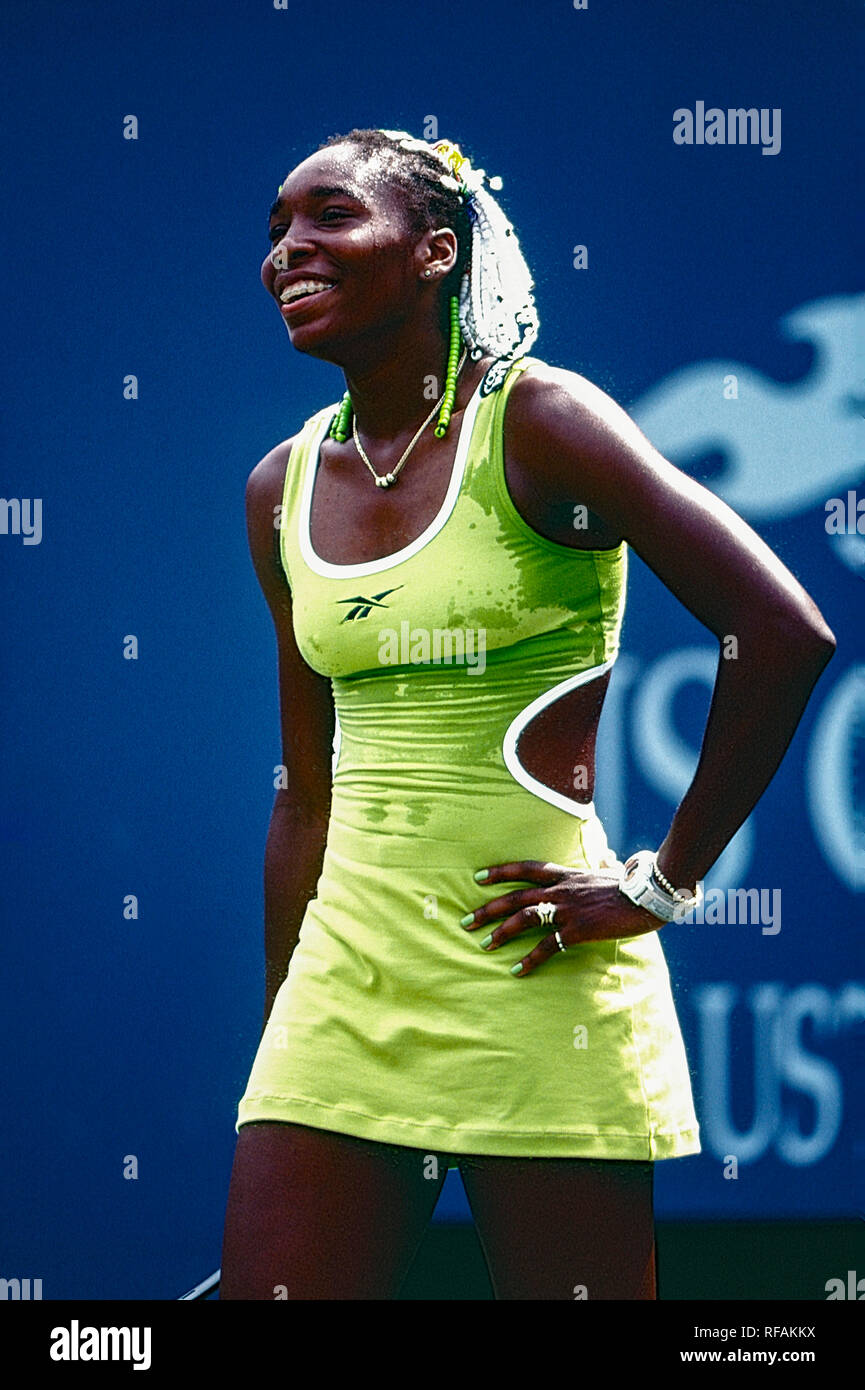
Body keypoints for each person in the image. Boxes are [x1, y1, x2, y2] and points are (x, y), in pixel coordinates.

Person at [219, 128, 835, 1300]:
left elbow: (781, 632)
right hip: (343, 990)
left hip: (532, 969)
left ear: (434, 251)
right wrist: (282, 1038)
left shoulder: (543, 420)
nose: (289, 250)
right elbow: (305, 793)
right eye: (276, 232)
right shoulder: (278, 486)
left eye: (329, 216)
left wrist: (661, 883)